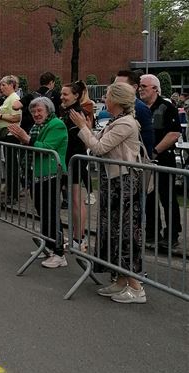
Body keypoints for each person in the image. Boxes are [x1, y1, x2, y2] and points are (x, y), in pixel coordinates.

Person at [70, 82, 145, 303]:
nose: (105, 97)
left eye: (108, 95)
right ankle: (121, 280)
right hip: (112, 182)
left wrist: (83, 126)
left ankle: (136, 286)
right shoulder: (116, 121)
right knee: (112, 230)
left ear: (117, 100)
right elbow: (100, 143)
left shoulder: (126, 124)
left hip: (124, 183)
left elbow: (99, 148)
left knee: (125, 231)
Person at [7, 97, 68, 269]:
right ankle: (48, 245)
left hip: (51, 174)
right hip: (37, 173)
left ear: (49, 110)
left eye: (39, 110)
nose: (36, 114)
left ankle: (59, 253)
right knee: (43, 210)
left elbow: (47, 147)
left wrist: (26, 138)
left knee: (51, 213)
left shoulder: (56, 124)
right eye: (33, 111)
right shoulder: (38, 126)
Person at [139, 74, 182, 249]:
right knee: (148, 196)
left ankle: (171, 234)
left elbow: (174, 133)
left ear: (155, 89)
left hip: (163, 158)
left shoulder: (167, 107)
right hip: (145, 161)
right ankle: (151, 231)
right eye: (140, 86)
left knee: (167, 197)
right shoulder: (139, 109)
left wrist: (155, 151)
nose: (140, 89)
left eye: (144, 86)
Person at [60, 81, 90, 250]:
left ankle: (80, 239)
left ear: (76, 96)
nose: (62, 97)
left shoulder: (77, 113)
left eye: (66, 94)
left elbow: (81, 139)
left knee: (77, 200)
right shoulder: (68, 112)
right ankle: (75, 237)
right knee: (74, 200)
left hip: (75, 161)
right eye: (62, 94)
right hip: (69, 160)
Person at [0, 75, 22, 204]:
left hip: (11, 135)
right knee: (9, 165)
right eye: (1, 85)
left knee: (12, 165)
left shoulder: (15, 98)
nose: (1, 87)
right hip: (6, 134)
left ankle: (13, 194)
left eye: (4, 85)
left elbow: (16, 117)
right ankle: (10, 192)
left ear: (11, 85)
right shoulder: (8, 98)